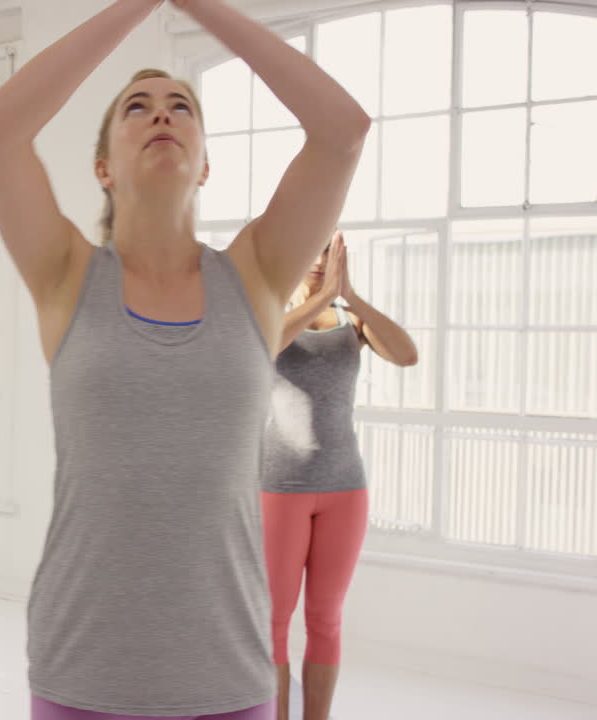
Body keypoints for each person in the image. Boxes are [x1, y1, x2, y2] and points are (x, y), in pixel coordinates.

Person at [0, 0, 371, 716]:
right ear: (102, 166)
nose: (162, 114)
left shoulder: (255, 274)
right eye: (138, 106)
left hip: (227, 675)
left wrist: (201, 8)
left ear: (207, 165)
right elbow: (2, 129)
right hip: (82, 671)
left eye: (181, 105)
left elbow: (342, 132)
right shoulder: (66, 274)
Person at [262, 230, 417, 720]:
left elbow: (407, 354)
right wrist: (322, 296)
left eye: (328, 249)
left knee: (326, 620)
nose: (318, 257)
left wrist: (349, 297)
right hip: (279, 488)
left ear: (339, 257)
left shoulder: (353, 324)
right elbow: (267, 344)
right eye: (312, 246)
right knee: (274, 622)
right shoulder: (267, 313)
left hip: (345, 489)